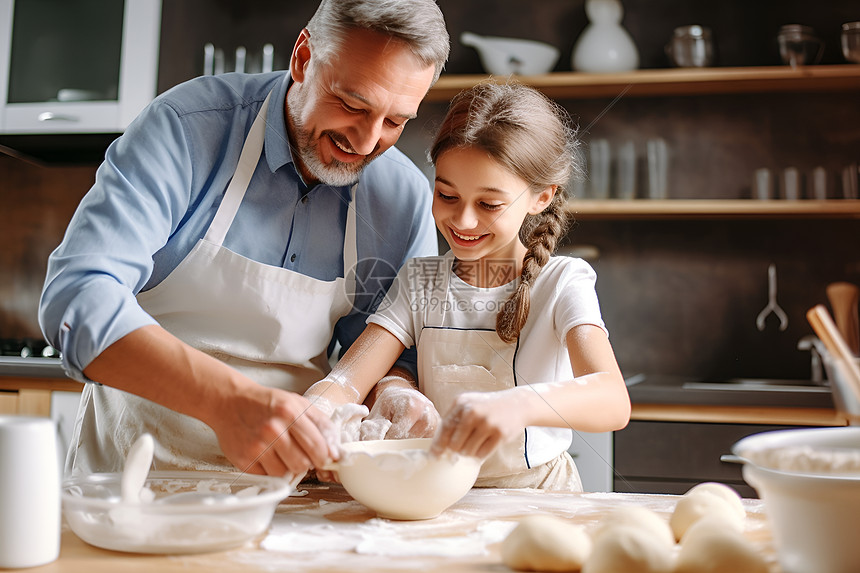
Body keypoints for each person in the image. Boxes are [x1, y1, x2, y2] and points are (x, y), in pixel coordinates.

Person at [38, 0, 449, 478]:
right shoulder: (188, 129)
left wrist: (395, 392)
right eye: (352, 105)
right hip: (133, 484)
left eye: (396, 122)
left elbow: (394, 348)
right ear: (303, 58)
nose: (365, 140)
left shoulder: (401, 197)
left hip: (293, 498)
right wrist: (226, 402)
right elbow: (75, 299)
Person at [306, 81, 631, 490]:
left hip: (538, 495)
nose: (462, 221)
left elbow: (612, 400)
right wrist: (312, 417)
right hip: (437, 491)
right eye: (447, 195)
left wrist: (518, 405)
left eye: (489, 204)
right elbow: (350, 380)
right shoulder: (420, 281)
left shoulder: (563, 281)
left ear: (541, 197)